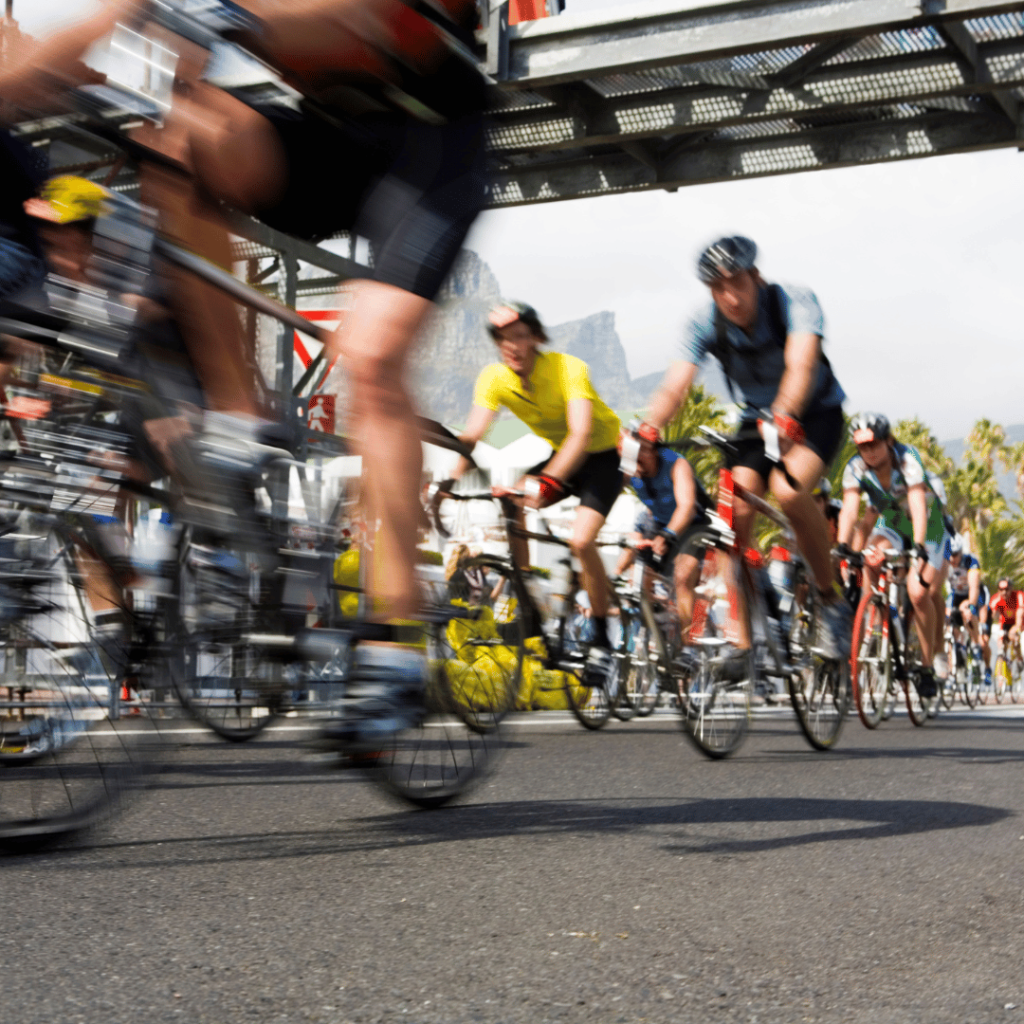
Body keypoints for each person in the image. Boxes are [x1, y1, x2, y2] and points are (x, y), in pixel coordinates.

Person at [642, 235, 850, 667]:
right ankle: (745, 640)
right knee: (732, 516)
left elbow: (801, 364)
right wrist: (648, 429)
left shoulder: (793, 301)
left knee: (790, 493)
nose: (730, 297)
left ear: (756, 276)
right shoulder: (703, 321)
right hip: (756, 420)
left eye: (737, 283)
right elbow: (675, 384)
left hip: (814, 413)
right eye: (718, 288)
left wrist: (787, 413)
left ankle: (831, 601)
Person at [441, 301, 623, 688]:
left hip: (601, 457)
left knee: (581, 539)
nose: (512, 347)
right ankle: (526, 596)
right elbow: (471, 437)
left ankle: (603, 639)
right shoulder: (494, 377)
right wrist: (444, 485)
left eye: (520, 337)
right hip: (561, 455)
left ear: (536, 338)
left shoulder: (568, 369)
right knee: (511, 499)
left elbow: (581, 434)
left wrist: (548, 482)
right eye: (503, 340)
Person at [836, 412, 952, 698]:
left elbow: (915, 502)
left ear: (888, 441)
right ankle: (875, 625)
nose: (869, 452)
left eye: (874, 444)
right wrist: (842, 546)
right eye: (862, 447)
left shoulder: (907, 459)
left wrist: (920, 546)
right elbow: (850, 510)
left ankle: (926, 666)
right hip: (892, 524)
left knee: (918, 593)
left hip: (927, 524)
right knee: (870, 559)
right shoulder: (855, 468)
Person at [613, 425, 712, 656]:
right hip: (659, 523)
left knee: (683, 577)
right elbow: (607, 491)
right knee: (637, 579)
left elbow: (687, 507)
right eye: (629, 459)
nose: (636, 468)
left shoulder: (676, 464)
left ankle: (691, 649)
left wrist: (669, 534)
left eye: (639, 458)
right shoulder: (631, 468)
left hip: (693, 523)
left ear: (651, 451)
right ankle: (653, 626)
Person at [944, 533, 990, 682]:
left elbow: (974, 587)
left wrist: (970, 604)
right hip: (956, 594)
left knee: (969, 613)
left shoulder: (971, 561)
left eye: (955, 554)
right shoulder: (945, 562)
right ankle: (953, 671)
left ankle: (976, 645)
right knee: (950, 629)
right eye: (949, 554)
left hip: (974, 594)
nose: (952, 558)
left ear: (961, 552)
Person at [989, 577, 1023, 665]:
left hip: (1019, 623)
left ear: (1011, 588)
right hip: (1005, 623)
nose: (1004, 592)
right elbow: (994, 616)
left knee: (1014, 638)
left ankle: (1020, 661)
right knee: (1001, 646)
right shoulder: (995, 599)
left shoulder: (1019, 595)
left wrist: (1015, 630)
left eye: (1007, 589)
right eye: (1001, 589)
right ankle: (1002, 670)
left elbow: (1020, 614)